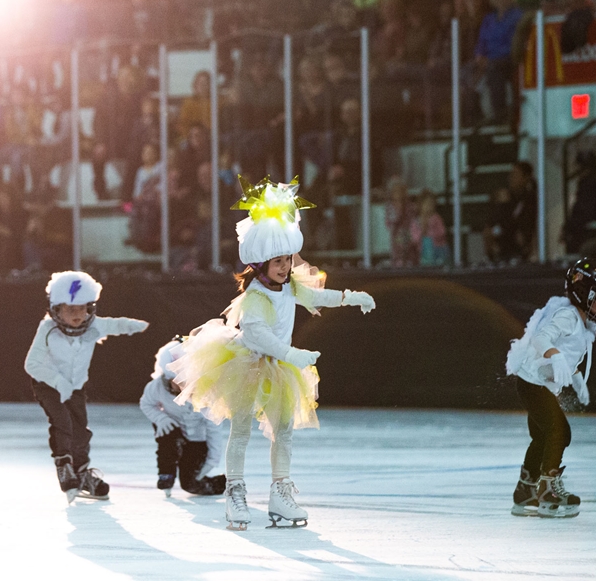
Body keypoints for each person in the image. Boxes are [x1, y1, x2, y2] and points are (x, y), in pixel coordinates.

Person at [169, 179, 376, 529]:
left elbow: (317, 297)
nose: (285, 266)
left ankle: (281, 492)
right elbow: (258, 335)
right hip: (247, 365)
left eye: (287, 260)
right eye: (277, 261)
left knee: (284, 431)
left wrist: (350, 297)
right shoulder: (256, 297)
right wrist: (292, 354)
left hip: (280, 366)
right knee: (242, 430)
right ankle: (235, 492)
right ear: (260, 263)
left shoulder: (290, 285)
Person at [505, 254, 596, 517]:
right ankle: (548, 490)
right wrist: (555, 356)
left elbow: (568, 355)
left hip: (537, 385)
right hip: (533, 384)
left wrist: (577, 377)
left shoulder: (581, 322)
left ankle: (525, 490)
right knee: (560, 432)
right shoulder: (568, 316)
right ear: (585, 293)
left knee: (543, 436)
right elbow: (541, 338)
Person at [24, 271, 149, 502]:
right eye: (71, 309)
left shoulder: (94, 326)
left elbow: (115, 324)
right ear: (56, 309)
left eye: (82, 308)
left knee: (80, 431)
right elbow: (32, 364)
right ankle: (64, 465)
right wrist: (58, 382)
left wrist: (138, 326)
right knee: (63, 422)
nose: (77, 314)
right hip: (47, 385)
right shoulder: (47, 329)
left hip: (76, 387)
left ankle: (81, 473)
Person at [139, 339, 228, 497]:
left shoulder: (206, 394)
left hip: (197, 440)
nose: (181, 388)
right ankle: (166, 474)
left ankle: (224, 483)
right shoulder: (156, 387)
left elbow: (214, 429)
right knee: (166, 433)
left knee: (190, 484)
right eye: (176, 382)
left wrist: (212, 460)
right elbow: (146, 404)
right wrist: (160, 418)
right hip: (173, 430)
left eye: (185, 382)